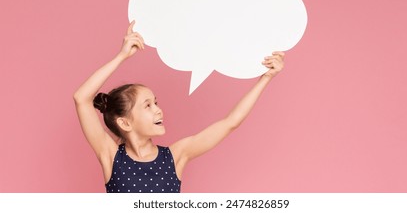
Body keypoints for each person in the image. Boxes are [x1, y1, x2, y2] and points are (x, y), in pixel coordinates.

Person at [73, 20, 285, 193]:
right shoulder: (110, 156)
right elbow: (82, 98)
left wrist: (265, 78)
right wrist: (122, 56)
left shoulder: (175, 156)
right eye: (147, 105)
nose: (158, 109)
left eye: (156, 102)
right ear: (125, 122)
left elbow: (230, 123)